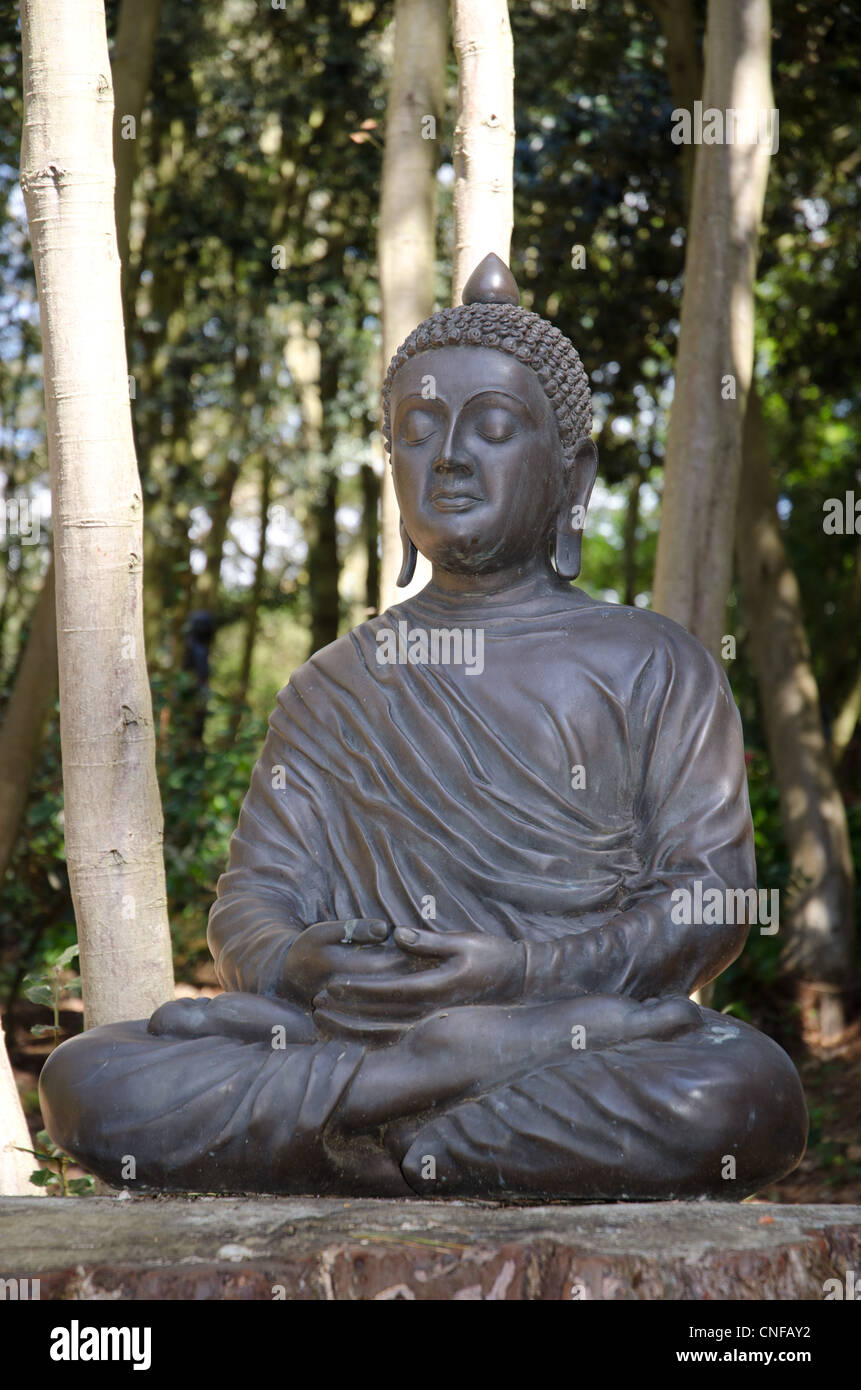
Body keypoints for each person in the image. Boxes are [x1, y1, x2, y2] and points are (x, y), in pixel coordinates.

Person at [40, 255, 807, 1199]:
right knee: (92, 1080)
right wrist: (296, 957)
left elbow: (710, 899)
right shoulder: (334, 682)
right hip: (366, 1035)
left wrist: (526, 972)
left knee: (736, 1091)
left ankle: (378, 1123)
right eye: (415, 431)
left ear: (573, 473)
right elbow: (253, 903)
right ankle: (427, 1094)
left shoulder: (653, 661)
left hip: (565, 1031)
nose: (447, 457)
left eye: (491, 428)